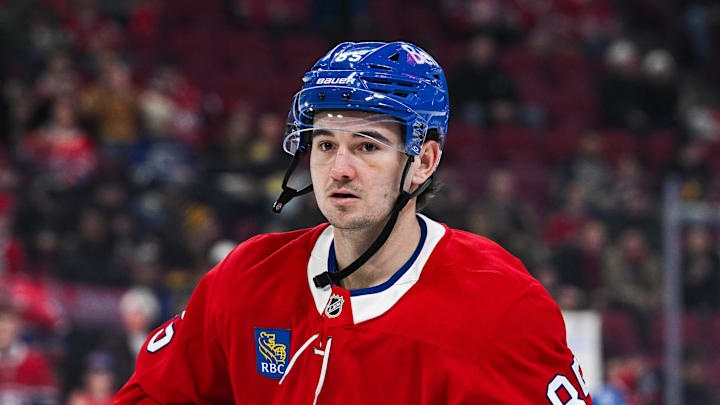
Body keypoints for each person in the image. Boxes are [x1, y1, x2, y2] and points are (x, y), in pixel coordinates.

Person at [115, 41, 592, 404]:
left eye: (367, 145)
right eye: (325, 144)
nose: (339, 168)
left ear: (423, 161)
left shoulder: (502, 307)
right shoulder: (245, 279)